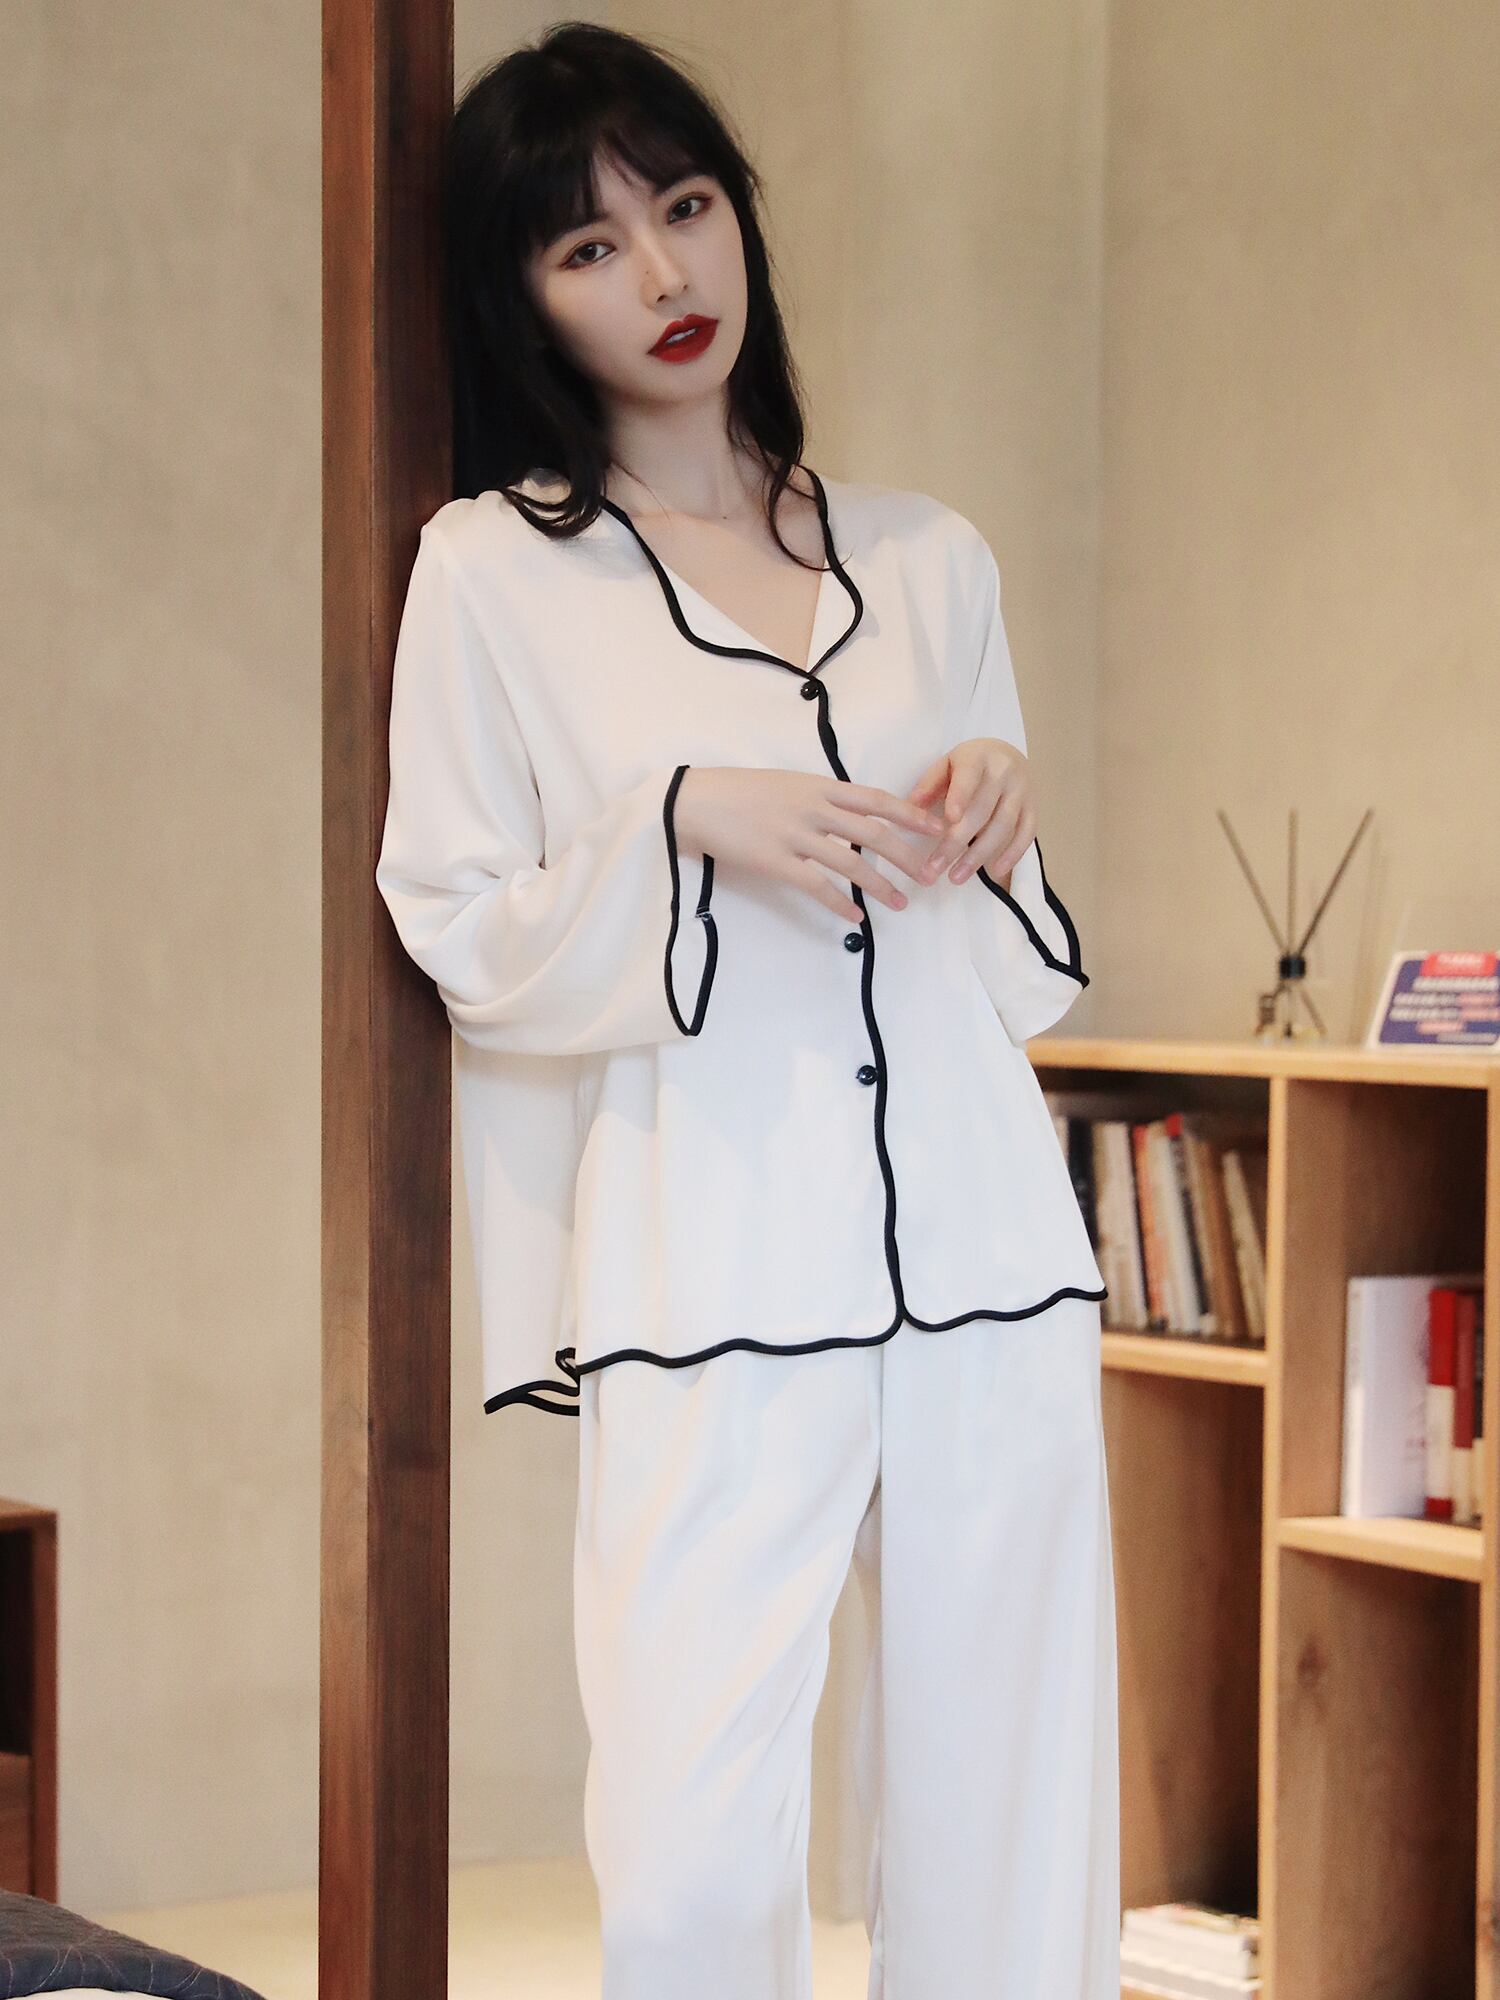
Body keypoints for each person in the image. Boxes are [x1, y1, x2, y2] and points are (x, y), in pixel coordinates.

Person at [376, 21, 1120, 1999]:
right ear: (524, 297)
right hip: (707, 1268)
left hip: (986, 1256)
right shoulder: (493, 575)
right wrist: (686, 815)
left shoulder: (929, 557)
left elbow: (1010, 972)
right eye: (589, 246)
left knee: (1008, 1818)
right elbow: (456, 917)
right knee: (690, 1864)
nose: (663, 273)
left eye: (687, 208)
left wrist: (998, 807)